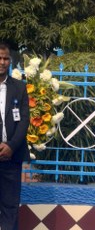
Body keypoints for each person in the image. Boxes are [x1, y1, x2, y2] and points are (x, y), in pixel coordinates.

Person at [0, 42, 30, 230]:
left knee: (10, 207)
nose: (2, 62)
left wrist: (10, 146)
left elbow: (24, 120)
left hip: (12, 157)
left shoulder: (19, 87)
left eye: (6, 59)